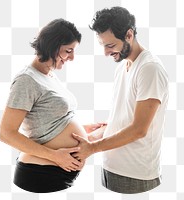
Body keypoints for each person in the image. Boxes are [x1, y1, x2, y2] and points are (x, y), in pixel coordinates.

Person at [0, 18, 105, 193]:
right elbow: (6, 133)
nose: (72, 57)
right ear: (52, 46)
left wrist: (83, 129)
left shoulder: (49, 75)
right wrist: (55, 156)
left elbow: (50, 121)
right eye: (68, 51)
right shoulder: (26, 80)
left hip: (57, 172)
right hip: (40, 174)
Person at [72, 6, 169, 194]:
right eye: (103, 46)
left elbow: (139, 129)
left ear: (129, 35)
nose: (106, 53)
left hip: (134, 174)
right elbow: (125, 117)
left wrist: (92, 148)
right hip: (110, 167)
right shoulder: (123, 66)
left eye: (110, 45)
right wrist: (98, 132)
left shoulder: (149, 69)